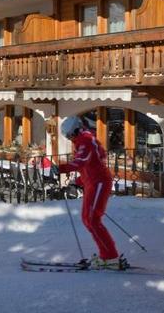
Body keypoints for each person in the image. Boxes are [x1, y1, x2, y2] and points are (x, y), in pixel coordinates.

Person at [57, 116, 126, 270]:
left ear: (76, 130)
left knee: (92, 219)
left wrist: (61, 168)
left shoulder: (86, 140)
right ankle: (107, 255)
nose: (70, 139)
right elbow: (90, 163)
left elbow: (81, 161)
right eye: (68, 137)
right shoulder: (82, 141)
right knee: (87, 219)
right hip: (92, 183)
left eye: (70, 136)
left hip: (99, 182)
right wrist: (81, 180)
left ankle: (110, 257)